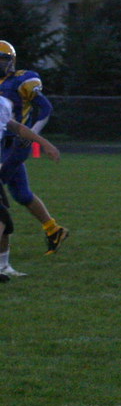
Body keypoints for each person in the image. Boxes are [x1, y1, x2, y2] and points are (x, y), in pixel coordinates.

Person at [0, 40, 69, 255]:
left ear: (12, 61)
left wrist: (34, 136)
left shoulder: (22, 79)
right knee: (21, 194)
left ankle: (3, 257)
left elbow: (45, 107)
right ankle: (53, 229)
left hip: (14, 143)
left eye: (3, 59)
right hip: (4, 142)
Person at [0, 92, 61, 282]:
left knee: (4, 221)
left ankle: (3, 266)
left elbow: (14, 126)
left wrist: (44, 142)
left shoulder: (2, 104)